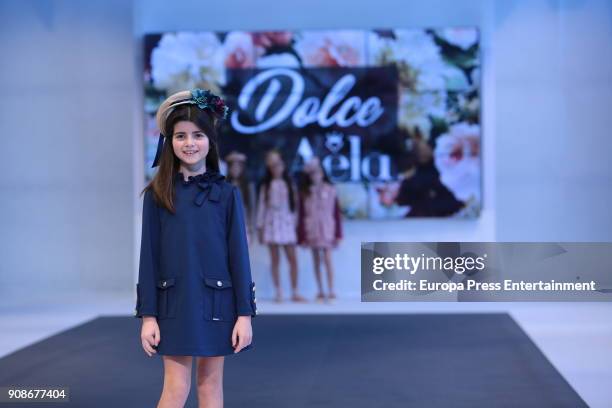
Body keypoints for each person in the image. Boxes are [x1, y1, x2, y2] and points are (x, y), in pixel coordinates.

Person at [134, 88, 257, 408]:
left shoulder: (227, 195)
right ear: (169, 142)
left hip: (218, 303)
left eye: (198, 135)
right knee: (175, 388)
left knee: (210, 385)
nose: (189, 143)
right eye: (180, 136)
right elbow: (148, 259)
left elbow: (238, 258)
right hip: (173, 304)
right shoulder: (157, 196)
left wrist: (244, 314)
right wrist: (148, 315)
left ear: (210, 141)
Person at [256, 150, 307, 303]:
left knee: (293, 259)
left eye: (278, 165)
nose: (276, 168)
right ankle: (278, 291)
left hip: (287, 224)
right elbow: (261, 207)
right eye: (273, 166)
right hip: (271, 224)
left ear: (283, 166)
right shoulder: (266, 185)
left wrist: (296, 225)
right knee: (275, 259)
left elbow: (296, 206)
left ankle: (295, 291)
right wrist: (260, 226)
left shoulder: (289, 183)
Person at [297, 157, 343, 302]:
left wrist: (338, 233)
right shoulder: (305, 192)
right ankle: (320, 290)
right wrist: (302, 235)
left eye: (318, 172)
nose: (315, 176)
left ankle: (331, 289)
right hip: (312, 229)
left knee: (328, 259)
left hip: (328, 228)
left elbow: (336, 213)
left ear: (323, 173)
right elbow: (302, 214)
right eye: (312, 173)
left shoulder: (331, 190)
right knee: (316, 259)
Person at [224, 151, 257, 244]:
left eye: (238, 167)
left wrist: (251, 226)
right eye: (232, 167)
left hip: (244, 222)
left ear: (242, 168)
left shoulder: (248, 185)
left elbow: (252, 206)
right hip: (228, 222)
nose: (235, 169)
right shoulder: (224, 184)